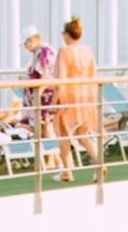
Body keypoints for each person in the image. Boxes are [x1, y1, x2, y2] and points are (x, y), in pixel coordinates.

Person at [52, 16, 99, 181]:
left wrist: (53, 101)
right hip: (86, 97)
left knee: (63, 134)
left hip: (69, 98)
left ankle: (67, 171)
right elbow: (93, 74)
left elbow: (61, 79)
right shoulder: (87, 51)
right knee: (83, 134)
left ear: (67, 34)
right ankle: (99, 164)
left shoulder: (65, 51)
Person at [21, 27, 57, 133]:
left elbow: (45, 77)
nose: (25, 47)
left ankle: (51, 148)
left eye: (25, 44)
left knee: (45, 125)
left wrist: (36, 95)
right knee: (42, 126)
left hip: (43, 99)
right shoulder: (39, 52)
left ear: (31, 40)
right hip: (40, 99)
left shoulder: (44, 52)